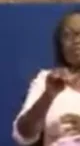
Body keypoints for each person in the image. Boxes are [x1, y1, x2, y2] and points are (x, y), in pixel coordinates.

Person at [12, 9, 80, 145]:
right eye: (68, 35)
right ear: (60, 45)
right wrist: (47, 96)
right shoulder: (46, 80)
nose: (76, 40)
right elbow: (22, 135)